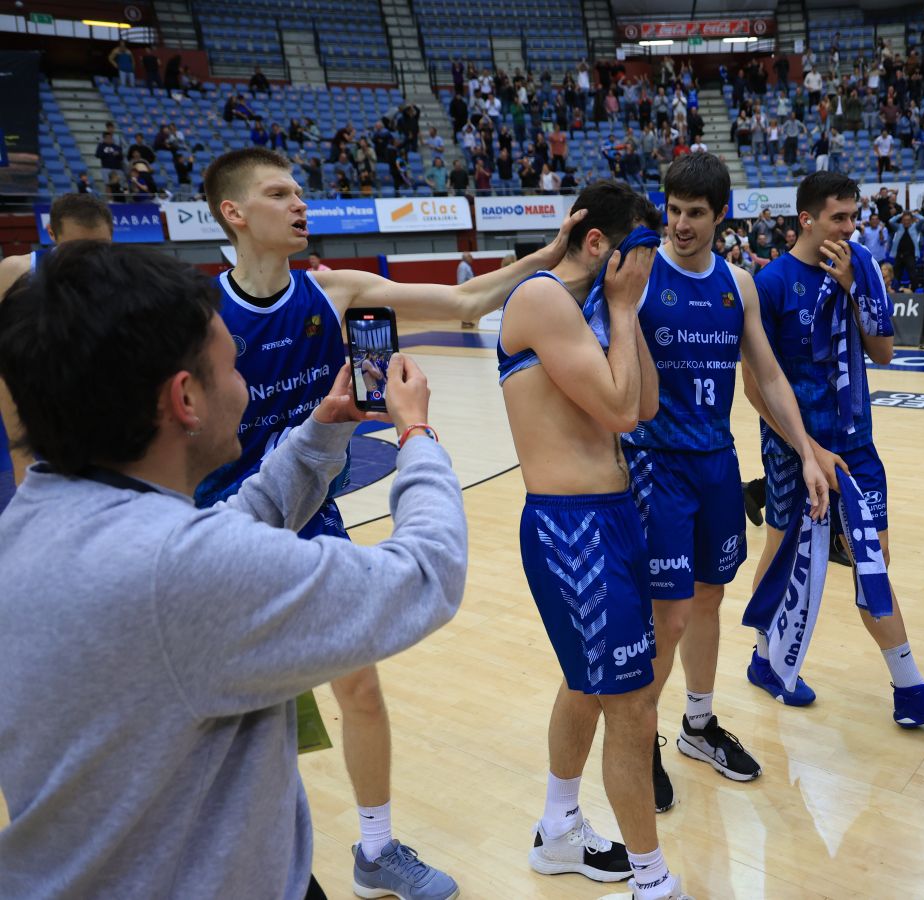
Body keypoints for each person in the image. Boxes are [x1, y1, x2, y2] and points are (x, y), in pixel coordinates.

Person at [0, 242, 466, 898]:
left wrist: (320, 436)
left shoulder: (40, 513)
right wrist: (416, 437)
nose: (246, 384)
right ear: (185, 398)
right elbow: (426, 575)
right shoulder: (180, 572)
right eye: (232, 366)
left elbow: (221, 536)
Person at [195, 147, 581, 900]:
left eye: (301, 190)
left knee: (360, 689)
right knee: (243, 726)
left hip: (312, 518)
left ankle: (374, 849)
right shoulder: (197, 317)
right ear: (233, 215)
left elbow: (467, 308)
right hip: (225, 533)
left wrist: (544, 256)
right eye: (279, 194)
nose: (300, 204)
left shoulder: (333, 292)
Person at [497, 181, 692, 900]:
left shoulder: (602, 308)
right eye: (640, 251)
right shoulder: (544, 297)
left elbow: (640, 408)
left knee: (587, 686)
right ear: (598, 243)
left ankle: (558, 832)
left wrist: (624, 312)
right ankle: (653, 881)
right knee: (632, 704)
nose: (647, 268)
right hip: (569, 526)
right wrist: (619, 306)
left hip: (612, 518)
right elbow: (615, 406)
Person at [625, 153, 830, 811]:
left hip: (716, 462)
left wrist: (804, 447)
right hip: (656, 466)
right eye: (673, 210)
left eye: (694, 213)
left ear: (720, 216)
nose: (680, 225)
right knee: (670, 610)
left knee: (710, 599)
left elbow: (768, 375)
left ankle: (698, 724)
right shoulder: (639, 274)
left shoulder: (736, 284)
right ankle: (640, 737)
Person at [745, 170, 924, 727]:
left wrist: (858, 288)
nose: (850, 228)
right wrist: (806, 448)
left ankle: (909, 689)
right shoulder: (773, 283)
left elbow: (883, 354)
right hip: (793, 451)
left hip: (857, 446)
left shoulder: (863, 269)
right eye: (839, 218)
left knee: (871, 564)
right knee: (783, 558)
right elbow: (755, 386)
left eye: (854, 217)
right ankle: (764, 660)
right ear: (806, 220)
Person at [0, 194, 114, 484]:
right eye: (77, 247)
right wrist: (19, 456)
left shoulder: (120, 279)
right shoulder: (17, 272)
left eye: (98, 247)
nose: (88, 257)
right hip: (25, 432)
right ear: (51, 233)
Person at [457, 253, 476, 329]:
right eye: (470, 257)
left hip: (468, 290)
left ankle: (467, 321)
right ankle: (465, 322)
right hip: (465, 290)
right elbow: (462, 279)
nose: (472, 259)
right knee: (465, 306)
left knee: (468, 306)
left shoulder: (465, 265)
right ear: (466, 258)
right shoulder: (463, 266)